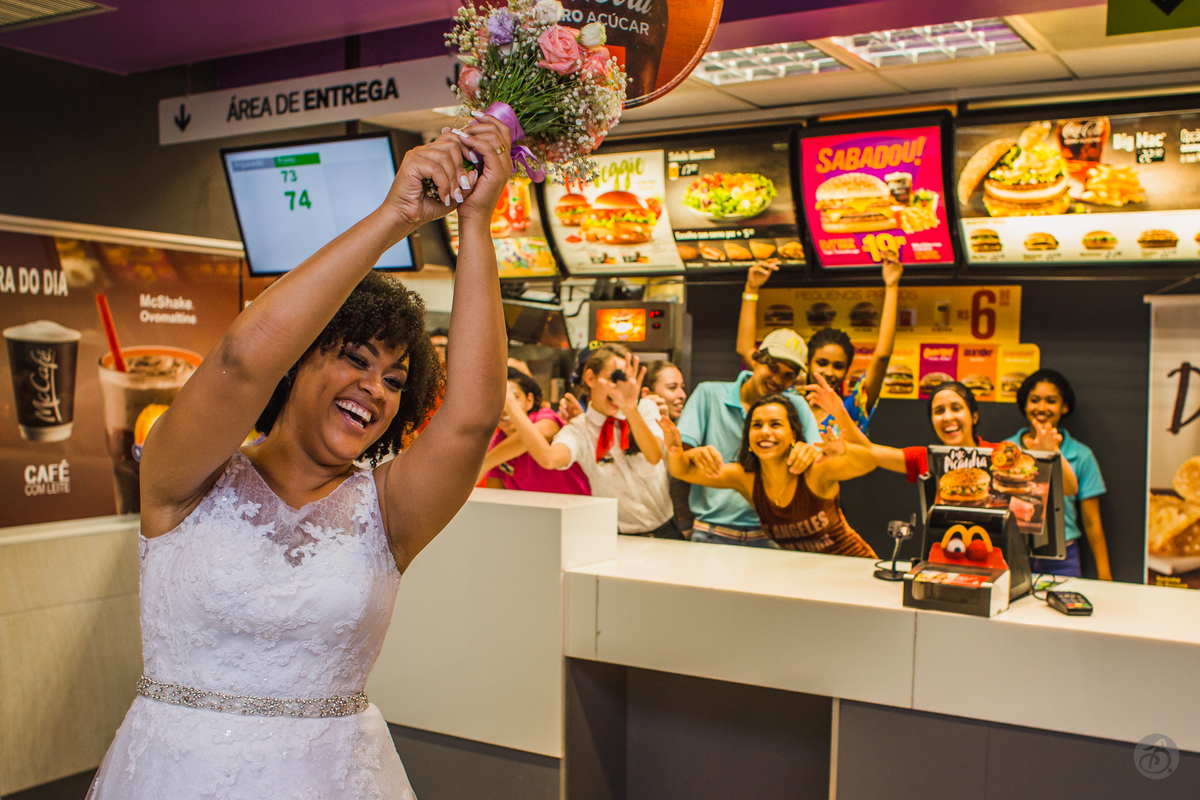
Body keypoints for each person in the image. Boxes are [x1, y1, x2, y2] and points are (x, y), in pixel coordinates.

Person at [87, 116, 513, 799]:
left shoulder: (390, 509)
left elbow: (471, 421)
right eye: (355, 359)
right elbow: (237, 359)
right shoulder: (181, 478)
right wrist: (397, 215)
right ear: (296, 361)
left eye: (396, 381)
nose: (375, 390)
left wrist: (477, 223)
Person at [663, 397, 877, 556]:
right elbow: (681, 470)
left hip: (853, 566)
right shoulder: (745, 478)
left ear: (793, 433)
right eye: (756, 425)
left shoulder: (815, 470)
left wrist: (843, 446)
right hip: (808, 575)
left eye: (775, 424)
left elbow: (869, 462)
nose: (765, 432)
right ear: (747, 436)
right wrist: (676, 449)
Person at [512, 346, 679, 538]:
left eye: (627, 380)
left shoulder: (645, 409)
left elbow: (655, 455)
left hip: (667, 530)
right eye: (614, 379)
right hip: (618, 537)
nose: (621, 388)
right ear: (590, 378)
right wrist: (510, 404)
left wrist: (629, 408)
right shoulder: (579, 430)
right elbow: (549, 459)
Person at [677, 328, 821, 547]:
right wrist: (693, 454)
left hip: (774, 533)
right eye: (772, 367)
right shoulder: (709, 395)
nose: (777, 380)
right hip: (713, 531)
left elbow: (819, 458)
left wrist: (811, 454)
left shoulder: (796, 405)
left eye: (788, 375)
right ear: (756, 359)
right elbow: (678, 458)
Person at [737, 250, 902, 437]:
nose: (829, 372)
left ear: (847, 371)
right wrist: (751, 289)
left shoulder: (852, 408)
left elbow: (882, 357)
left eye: (838, 366)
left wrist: (892, 285)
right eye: (822, 363)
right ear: (807, 364)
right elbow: (744, 350)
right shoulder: (785, 396)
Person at [1006, 369, 1110, 580]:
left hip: (1064, 558)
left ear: (1065, 406)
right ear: (1024, 405)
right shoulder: (1006, 450)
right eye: (1034, 400)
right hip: (1014, 552)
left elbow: (1092, 522)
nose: (1042, 408)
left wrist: (1105, 574)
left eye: (1051, 401)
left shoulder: (1081, 454)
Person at [480, 367, 590, 495]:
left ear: (529, 401)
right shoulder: (495, 444)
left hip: (577, 509)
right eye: (495, 401)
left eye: (514, 397)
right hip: (533, 514)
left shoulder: (545, 417)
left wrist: (483, 465)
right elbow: (495, 500)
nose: (504, 408)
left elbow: (533, 437)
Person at [641, 360, 693, 536]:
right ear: (647, 394)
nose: (682, 394)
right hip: (653, 529)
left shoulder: (689, 428)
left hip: (684, 527)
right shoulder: (633, 431)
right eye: (672, 388)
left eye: (682, 387)